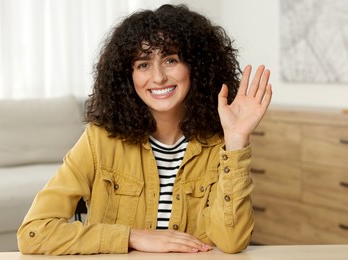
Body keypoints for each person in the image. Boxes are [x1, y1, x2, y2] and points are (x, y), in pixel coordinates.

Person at [17, 4, 272, 255]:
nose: (158, 77)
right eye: (143, 64)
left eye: (171, 60)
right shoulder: (99, 141)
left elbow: (232, 242)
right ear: (127, 76)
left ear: (196, 67)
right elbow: (34, 232)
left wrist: (237, 141)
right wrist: (132, 236)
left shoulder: (220, 144)